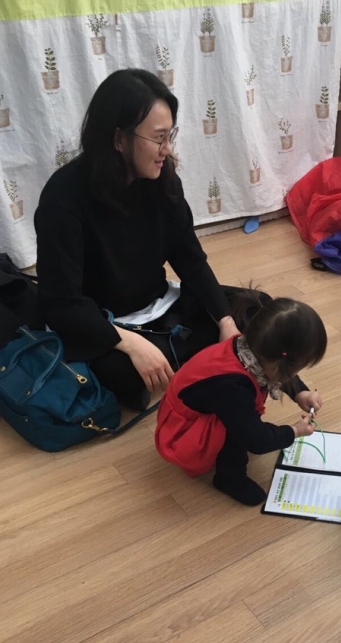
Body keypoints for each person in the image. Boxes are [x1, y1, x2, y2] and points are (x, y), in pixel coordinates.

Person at [35, 69, 246, 411]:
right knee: (128, 375)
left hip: (156, 305)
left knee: (254, 309)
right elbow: (61, 303)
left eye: (170, 136)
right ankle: (173, 360)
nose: (167, 149)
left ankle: (178, 357)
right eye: (159, 138)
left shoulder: (163, 180)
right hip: (103, 323)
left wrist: (225, 320)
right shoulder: (63, 198)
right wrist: (131, 344)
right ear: (119, 139)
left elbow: (190, 258)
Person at [155, 295, 327, 506]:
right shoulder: (233, 388)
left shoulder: (250, 346)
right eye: (294, 370)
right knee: (239, 432)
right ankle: (229, 478)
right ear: (282, 363)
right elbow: (256, 440)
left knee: (239, 419)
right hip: (183, 432)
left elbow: (277, 373)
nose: (292, 375)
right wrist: (294, 431)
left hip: (196, 406)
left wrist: (301, 393)